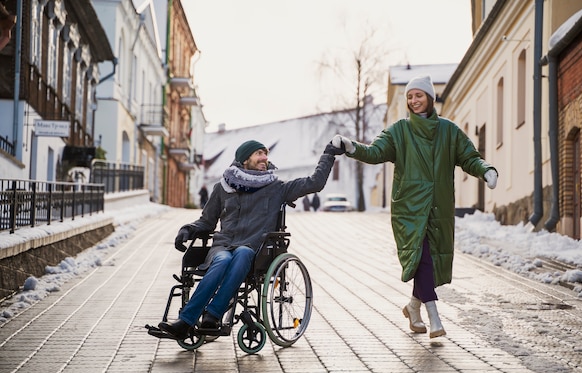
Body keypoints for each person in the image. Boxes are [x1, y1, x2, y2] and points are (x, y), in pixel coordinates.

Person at [332, 74, 498, 338]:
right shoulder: (399, 130)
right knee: (421, 259)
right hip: (409, 208)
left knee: (428, 262)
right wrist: (352, 147)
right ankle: (434, 317)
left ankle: (412, 307)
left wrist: (485, 170)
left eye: (418, 95)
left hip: (438, 208)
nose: (413, 100)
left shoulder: (449, 131)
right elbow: (376, 152)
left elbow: (469, 157)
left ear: (430, 98)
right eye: (410, 97)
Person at [158, 139, 344, 340]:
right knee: (222, 260)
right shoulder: (223, 188)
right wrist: (188, 230)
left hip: (255, 250)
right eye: (259, 154)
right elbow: (207, 221)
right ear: (245, 159)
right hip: (223, 246)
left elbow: (314, 183)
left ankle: (212, 315)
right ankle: (185, 322)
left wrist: (329, 154)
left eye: (266, 154)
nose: (265, 158)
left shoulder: (276, 188)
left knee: (242, 253)